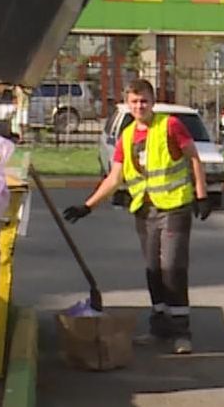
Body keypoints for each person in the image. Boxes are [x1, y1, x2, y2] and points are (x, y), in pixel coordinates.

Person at [64, 79, 213, 354]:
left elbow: (194, 159)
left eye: (144, 100)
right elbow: (114, 177)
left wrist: (202, 196)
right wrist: (87, 206)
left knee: (172, 269)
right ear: (128, 104)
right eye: (134, 101)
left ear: (152, 102)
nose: (139, 106)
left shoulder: (169, 126)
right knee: (153, 271)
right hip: (145, 211)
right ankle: (160, 328)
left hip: (174, 207)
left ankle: (182, 332)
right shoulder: (128, 136)